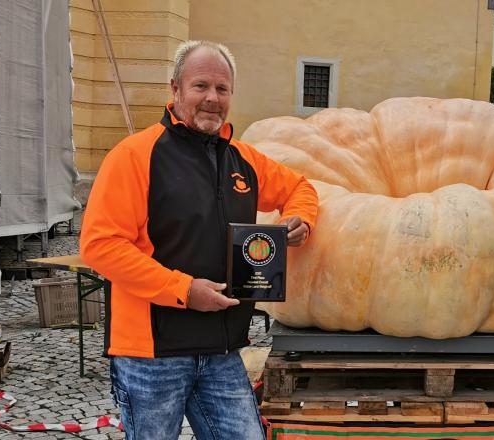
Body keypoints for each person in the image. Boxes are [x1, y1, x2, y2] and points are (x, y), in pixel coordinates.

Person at [80, 40, 319, 440]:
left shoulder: (244, 160)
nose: (212, 98)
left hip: (222, 351)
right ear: (175, 89)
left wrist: (302, 219)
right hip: (151, 355)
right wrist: (183, 290)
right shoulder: (135, 156)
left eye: (222, 89)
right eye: (201, 86)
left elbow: (300, 187)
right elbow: (101, 246)